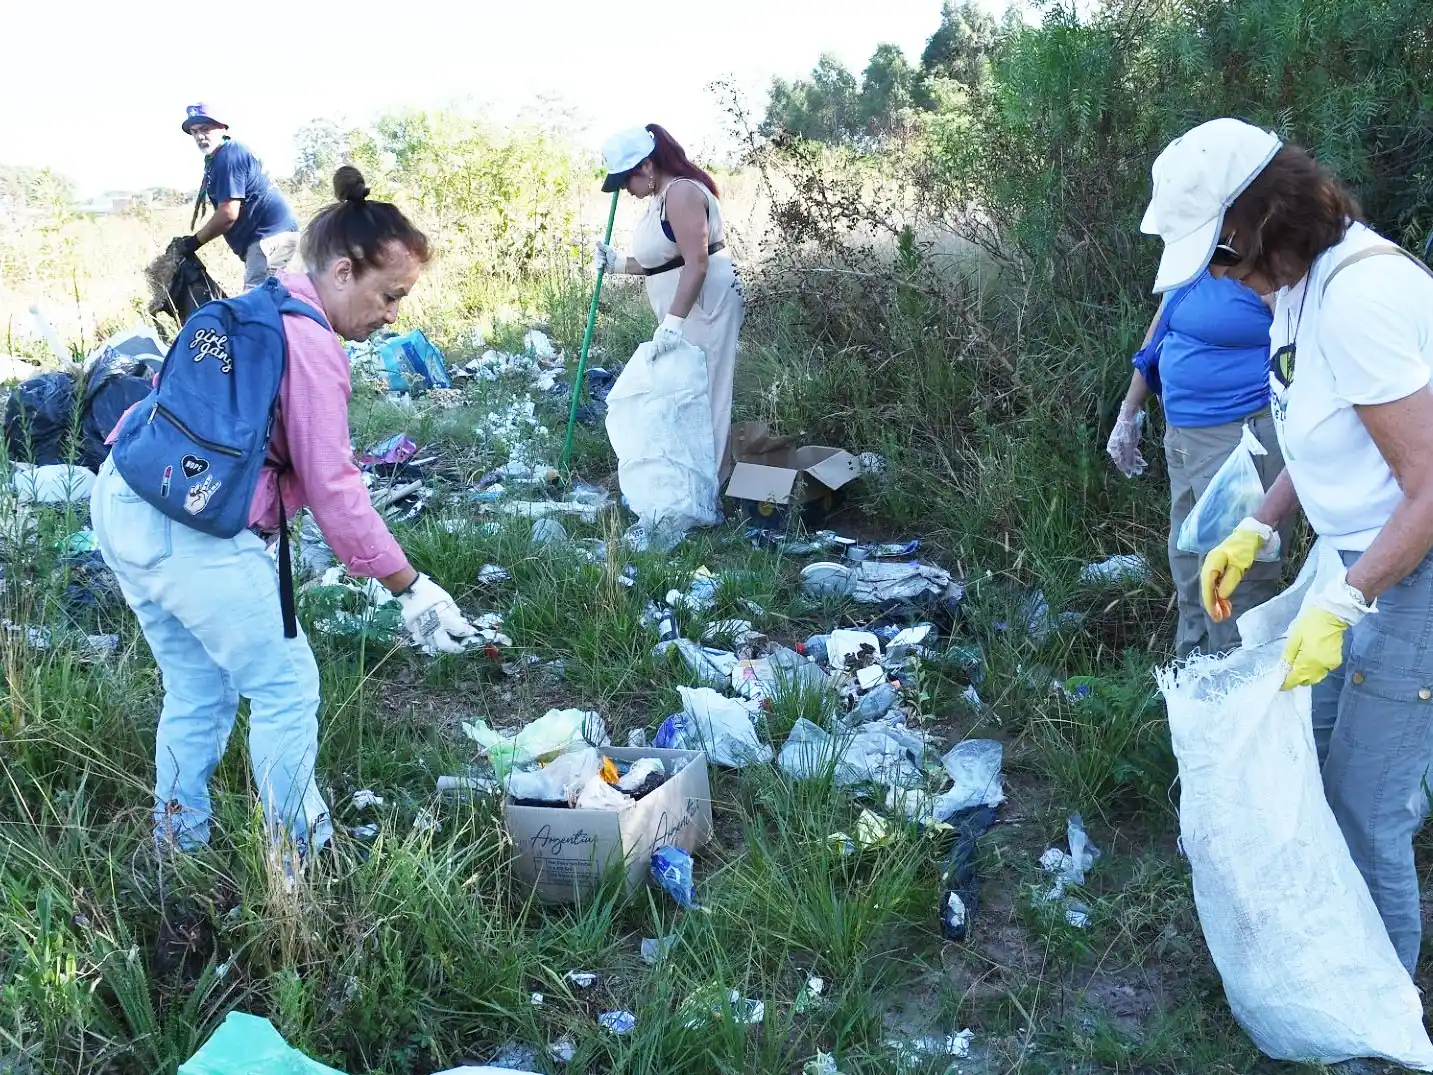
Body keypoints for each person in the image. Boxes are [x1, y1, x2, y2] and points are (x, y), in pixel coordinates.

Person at [93, 166, 477, 855]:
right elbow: (335, 487)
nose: (394, 314)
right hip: (190, 528)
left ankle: (177, 845)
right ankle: (302, 858)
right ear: (340, 271)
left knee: (198, 688)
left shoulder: (254, 305)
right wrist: (409, 587)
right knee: (284, 682)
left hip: (124, 498)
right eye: (389, 294)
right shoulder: (311, 343)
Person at [1144, 117, 1433, 974]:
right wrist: (1258, 522)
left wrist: (1350, 598)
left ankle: (1378, 1025)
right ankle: (1332, 965)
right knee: (1311, 760)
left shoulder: (1361, 297)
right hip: (1356, 561)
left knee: (1364, 804)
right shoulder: (1296, 295)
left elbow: (1428, 483)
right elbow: (1322, 437)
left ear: (1265, 222)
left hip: (1408, 573)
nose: (1225, 278)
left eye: (1225, 256)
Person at [1106, 268, 1285, 657]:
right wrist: (1129, 410)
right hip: (1183, 437)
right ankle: (1194, 679)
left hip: (1240, 440)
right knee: (1188, 565)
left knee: (1233, 581)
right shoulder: (1189, 255)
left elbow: (1299, 342)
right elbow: (1162, 326)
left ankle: (1235, 693)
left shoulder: (1260, 259)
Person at [593, 124, 745, 480]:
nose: (625, 191)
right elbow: (661, 262)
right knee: (685, 392)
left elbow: (697, 261)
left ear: (646, 167)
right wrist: (616, 263)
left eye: (624, 181)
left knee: (707, 393)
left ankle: (712, 489)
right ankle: (693, 478)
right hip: (683, 308)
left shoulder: (681, 193)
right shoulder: (658, 200)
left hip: (705, 305)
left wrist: (673, 323)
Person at [174, 103, 300, 291]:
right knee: (274, 302)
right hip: (267, 238)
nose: (199, 136)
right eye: (194, 132)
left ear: (222, 128)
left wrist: (194, 242)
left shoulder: (229, 156)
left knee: (255, 307)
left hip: (269, 237)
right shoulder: (218, 158)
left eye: (205, 129)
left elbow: (228, 214)